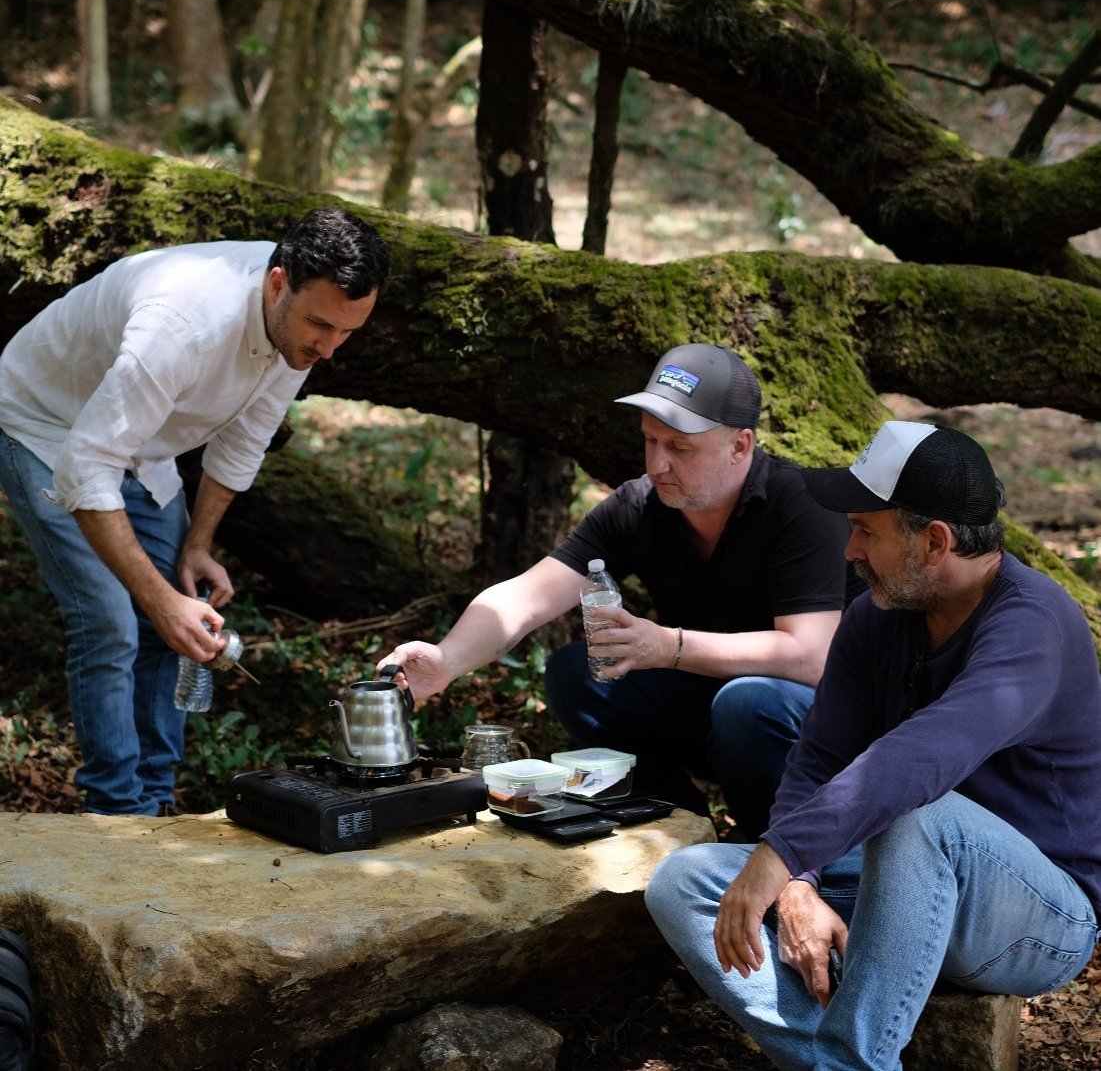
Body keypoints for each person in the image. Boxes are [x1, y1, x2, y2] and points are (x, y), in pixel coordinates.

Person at [645, 420, 1101, 1071]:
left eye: (866, 530)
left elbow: (924, 755)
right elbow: (818, 760)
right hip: (899, 878)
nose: (849, 549)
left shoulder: (1033, 623)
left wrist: (782, 854)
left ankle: (853, 1056)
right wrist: (798, 883)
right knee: (684, 881)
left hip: (1039, 917)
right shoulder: (877, 613)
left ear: (934, 541)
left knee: (918, 810)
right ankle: (837, 1060)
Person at [0, 207, 389, 817]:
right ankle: (117, 809)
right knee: (111, 621)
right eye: (321, 326)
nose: (330, 348)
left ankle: (156, 800)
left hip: (140, 444)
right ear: (277, 282)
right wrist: (157, 599)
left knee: (178, 620)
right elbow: (86, 466)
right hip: (47, 428)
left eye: (347, 332)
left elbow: (244, 439)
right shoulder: (181, 324)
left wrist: (197, 545)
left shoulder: (300, 331)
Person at [381, 343, 852, 831]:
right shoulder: (643, 506)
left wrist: (668, 646)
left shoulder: (799, 504)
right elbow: (527, 595)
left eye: (679, 449)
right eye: (650, 442)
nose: (656, 465)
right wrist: (447, 660)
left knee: (748, 702)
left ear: (741, 446)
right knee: (577, 672)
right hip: (718, 715)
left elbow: (812, 656)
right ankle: (677, 827)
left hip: (823, 731)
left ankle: (777, 851)